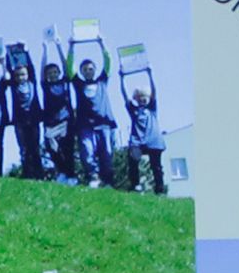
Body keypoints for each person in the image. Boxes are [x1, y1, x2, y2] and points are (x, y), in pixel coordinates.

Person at [73, 53, 116, 185]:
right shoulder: (78, 84)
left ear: (95, 70)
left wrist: (101, 43)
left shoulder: (102, 81)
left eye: (90, 69)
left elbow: (108, 62)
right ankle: (93, 177)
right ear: (81, 72)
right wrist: (71, 46)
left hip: (104, 124)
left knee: (107, 153)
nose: (88, 71)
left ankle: (107, 181)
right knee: (87, 152)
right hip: (86, 125)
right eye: (85, 70)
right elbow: (69, 67)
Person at [38, 47, 75, 182]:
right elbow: (41, 70)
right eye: (50, 73)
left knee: (67, 149)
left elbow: (66, 66)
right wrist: (45, 50)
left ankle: (70, 176)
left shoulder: (65, 82)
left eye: (55, 72)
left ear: (59, 73)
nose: (53, 74)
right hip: (50, 123)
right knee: (51, 147)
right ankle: (62, 171)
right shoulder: (45, 85)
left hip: (66, 121)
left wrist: (58, 46)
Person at [125, 72, 165, 193]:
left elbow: (154, 90)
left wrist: (150, 74)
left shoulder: (152, 108)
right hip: (137, 142)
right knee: (133, 162)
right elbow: (124, 95)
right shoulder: (134, 110)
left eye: (145, 97)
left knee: (156, 166)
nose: (142, 99)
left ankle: (159, 188)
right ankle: (135, 185)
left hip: (153, 142)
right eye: (139, 97)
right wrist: (122, 79)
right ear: (136, 99)